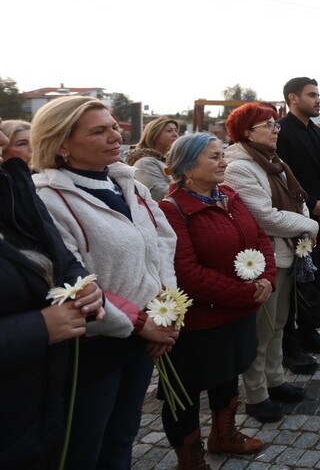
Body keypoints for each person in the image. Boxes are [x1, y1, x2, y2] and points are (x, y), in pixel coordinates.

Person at [31, 95, 178, 470]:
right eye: (99, 131)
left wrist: (167, 307)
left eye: (114, 126)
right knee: (85, 446)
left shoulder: (129, 184)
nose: (116, 136)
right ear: (62, 143)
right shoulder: (46, 199)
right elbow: (69, 278)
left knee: (123, 435)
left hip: (144, 336)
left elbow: (162, 244)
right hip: (93, 345)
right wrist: (141, 324)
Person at [160, 133, 274, 467]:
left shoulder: (228, 195)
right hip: (200, 322)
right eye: (214, 157)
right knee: (187, 391)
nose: (224, 162)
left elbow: (258, 238)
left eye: (222, 155)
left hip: (237, 314)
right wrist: (245, 293)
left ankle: (224, 434)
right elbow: (187, 272)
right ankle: (190, 457)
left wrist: (267, 278)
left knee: (228, 373)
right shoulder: (174, 209)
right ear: (187, 167)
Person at [0, 120, 106, 470]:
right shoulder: (43, 189)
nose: (3, 140)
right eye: (97, 128)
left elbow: (59, 255)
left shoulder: (13, 189)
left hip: (38, 392)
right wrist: (40, 327)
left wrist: (83, 283)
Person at [223, 103, 319, 424]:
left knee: (279, 324)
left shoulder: (273, 161)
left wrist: (306, 221)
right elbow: (265, 217)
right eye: (269, 125)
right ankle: (256, 394)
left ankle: (275, 379)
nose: (276, 130)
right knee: (262, 330)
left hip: (287, 252)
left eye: (277, 124)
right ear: (248, 132)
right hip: (266, 258)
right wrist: (310, 226)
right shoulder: (239, 167)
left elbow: (297, 199)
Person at [275, 77, 320, 372]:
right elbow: (285, 178)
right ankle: (289, 347)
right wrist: (312, 202)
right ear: (293, 98)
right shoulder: (283, 132)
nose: (317, 100)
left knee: (312, 277)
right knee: (292, 283)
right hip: (295, 214)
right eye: (311, 95)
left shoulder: (316, 131)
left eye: (318, 94)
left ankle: (309, 330)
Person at [124, 116, 179, 200]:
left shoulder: (164, 161)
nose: (175, 135)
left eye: (176, 130)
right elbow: (159, 193)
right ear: (154, 135)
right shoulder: (145, 162)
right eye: (169, 131)